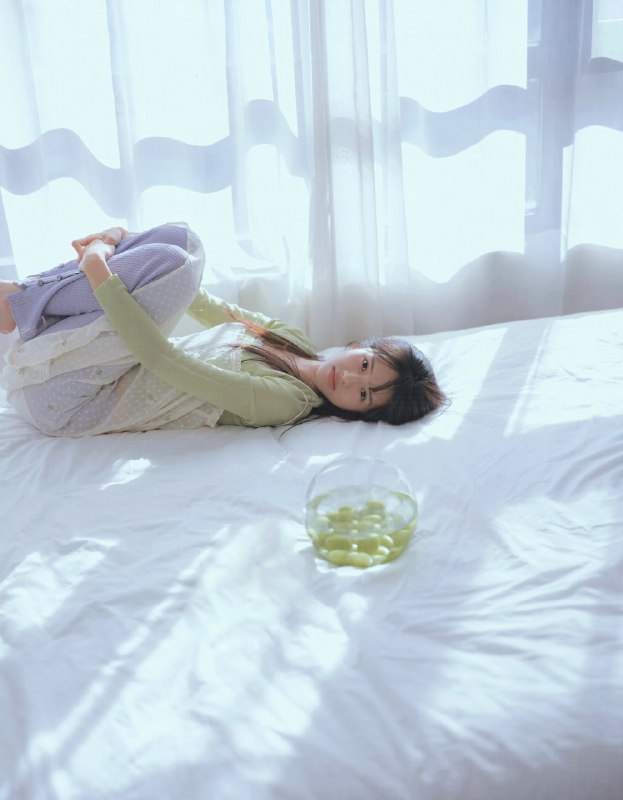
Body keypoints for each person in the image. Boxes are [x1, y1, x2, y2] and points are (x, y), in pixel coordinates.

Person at [0, 223, 447, 436]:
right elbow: (205, 304)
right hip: (93, 369)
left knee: (171, 263)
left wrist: (101, 268)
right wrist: (126, 250)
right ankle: (22, 300)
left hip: (68, 400)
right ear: (358, 346)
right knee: (183, 242)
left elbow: (162, 359)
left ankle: (23, 298)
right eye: (364, 366)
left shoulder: (286, 401)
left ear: (359, 413)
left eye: (364, 395)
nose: (348, 379)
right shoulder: (296, 343)